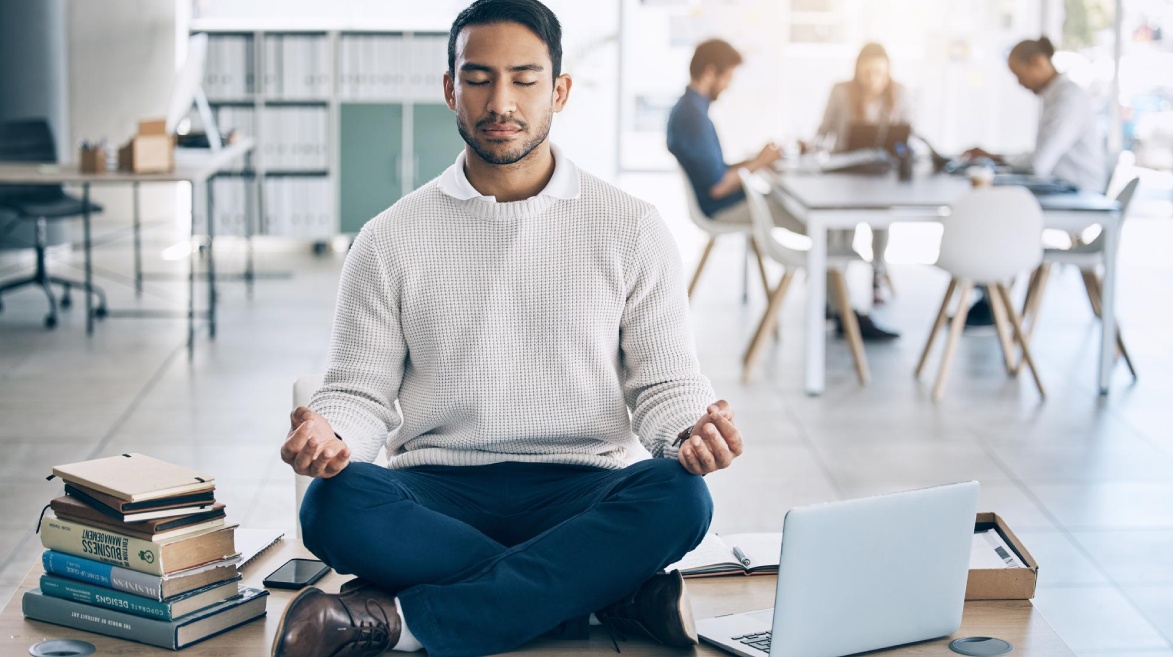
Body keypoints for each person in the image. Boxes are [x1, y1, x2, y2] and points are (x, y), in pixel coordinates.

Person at [273, 2, 744, 657]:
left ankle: (401, 622)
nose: (501, 101)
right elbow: (359, 389)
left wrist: (689, 429)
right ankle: (605, 591)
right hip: (436, 488)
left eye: (524, 79)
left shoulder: (630, 227)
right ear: (449, 89)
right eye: (478, 78)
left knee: (680, 497)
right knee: (331, 506)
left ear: (559, 90)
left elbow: (664, 380)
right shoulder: (388, 238)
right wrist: (331, 430)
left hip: (579, 483)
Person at [666, 39, 898, 340]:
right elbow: (718, 187)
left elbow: (718, 170)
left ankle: (834, 302)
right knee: (824, 227)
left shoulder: (691, 109)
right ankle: (844, 311)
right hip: (721, 207)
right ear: (711, 72)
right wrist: (760, 161)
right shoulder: (692, 116)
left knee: (811, 215)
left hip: (727, 200)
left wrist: (756, 161)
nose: (728, 86)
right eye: (728, 77)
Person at [961, 36, 1107, 326]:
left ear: (1038, 63)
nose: (1019, 83)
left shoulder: (1068, 98)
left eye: (1019, 74)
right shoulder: (1056, 96)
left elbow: (1040, 163)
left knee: (997, 210)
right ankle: (991, 299)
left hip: (1076, 197)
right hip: (1063, 190)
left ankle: (991, 302)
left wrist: (997, 158)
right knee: (997, 204)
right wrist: (997, 158)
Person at [813, 43, 911, 304]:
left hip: (881, 174)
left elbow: (906, 136)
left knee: (882, 217)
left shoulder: (898, 94)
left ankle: (877, 273)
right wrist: (814, 151)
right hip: (844, 171)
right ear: (857, 71)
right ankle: (837, 286)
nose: (872, 79)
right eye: (866, 72)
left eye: (879, 72)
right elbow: (823, 131)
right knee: (844, 223)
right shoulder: (841, 91)